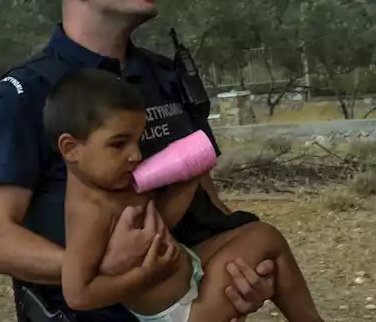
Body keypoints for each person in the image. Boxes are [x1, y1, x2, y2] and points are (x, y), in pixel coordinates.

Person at [0, 0, 301, 321]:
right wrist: (99, 268)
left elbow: (207, 202)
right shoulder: (27, 93)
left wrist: (241, 275)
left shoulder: (165, 77)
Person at [48, 68, 324, 322]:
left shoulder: (112, 185)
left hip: (188, 268)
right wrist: (144, 275)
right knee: (267, 239)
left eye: (137, 140)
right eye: (119, 144)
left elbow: (159, 223)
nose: (135, 154)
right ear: (71, 148)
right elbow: (78, 295)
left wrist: (189, 181)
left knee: (257, 232)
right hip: (185, 312)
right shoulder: (90, 210)